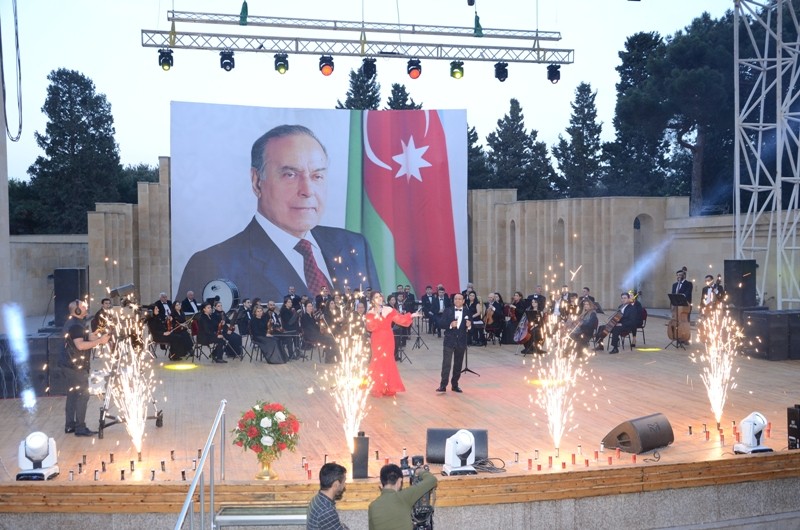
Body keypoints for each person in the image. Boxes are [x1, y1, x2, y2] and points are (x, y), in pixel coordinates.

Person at [177, 124, 381, 304]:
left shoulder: (353, 245)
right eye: (290, 175)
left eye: (317, 175)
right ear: (257, 181)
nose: (307, 190)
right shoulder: (214, 264)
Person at [59, 300, 111, 436]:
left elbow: (86, 336)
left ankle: (70, 425)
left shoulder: (75, 323)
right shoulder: (75, 325)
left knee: (73, 394)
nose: (86, 307)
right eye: (82, 306)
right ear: (76, 311)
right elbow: (80, 345)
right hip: (75, 366)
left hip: (68, 364)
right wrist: (100, 341)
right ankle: (80, 428)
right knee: (83, 394)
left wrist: (99, 335)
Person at [366, 291, 418, 397]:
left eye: (380, 296)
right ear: (372, 300)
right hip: (377, 338)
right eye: (376, 297)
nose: (379, 298)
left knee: (388, 360)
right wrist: (377, 315)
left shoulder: (389, 310)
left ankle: (388, 386)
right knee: (377, 360)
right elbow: (370, 327)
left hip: (388, 338)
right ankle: (377, 387)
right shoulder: (370, 313)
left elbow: (400, 319)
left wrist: (411, 315)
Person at [367, 463, 438, 530]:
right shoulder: (404, 497)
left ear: (381, 483)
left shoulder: (372, 506)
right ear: (399, 481)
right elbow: (432, 480)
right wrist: (419, 471)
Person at [436, 293, 471, 393]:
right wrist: (450, 324)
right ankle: (443, 385)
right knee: (446, 363)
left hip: (461, 341)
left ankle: (455, 385)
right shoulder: (448, 310)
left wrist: (469, 325)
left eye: (460, 299)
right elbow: (441, 323)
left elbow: (470, 325)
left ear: (463, 301)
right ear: (453, 300)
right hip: (449, 341)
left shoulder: (467, 311)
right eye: (456, 299)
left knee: (458, 364)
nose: (458, 301)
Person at [307, 462, 349, 530]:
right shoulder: (326, 510)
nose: (344, 485)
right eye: (344, 482)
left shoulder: (317, 499)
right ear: (336, 484)